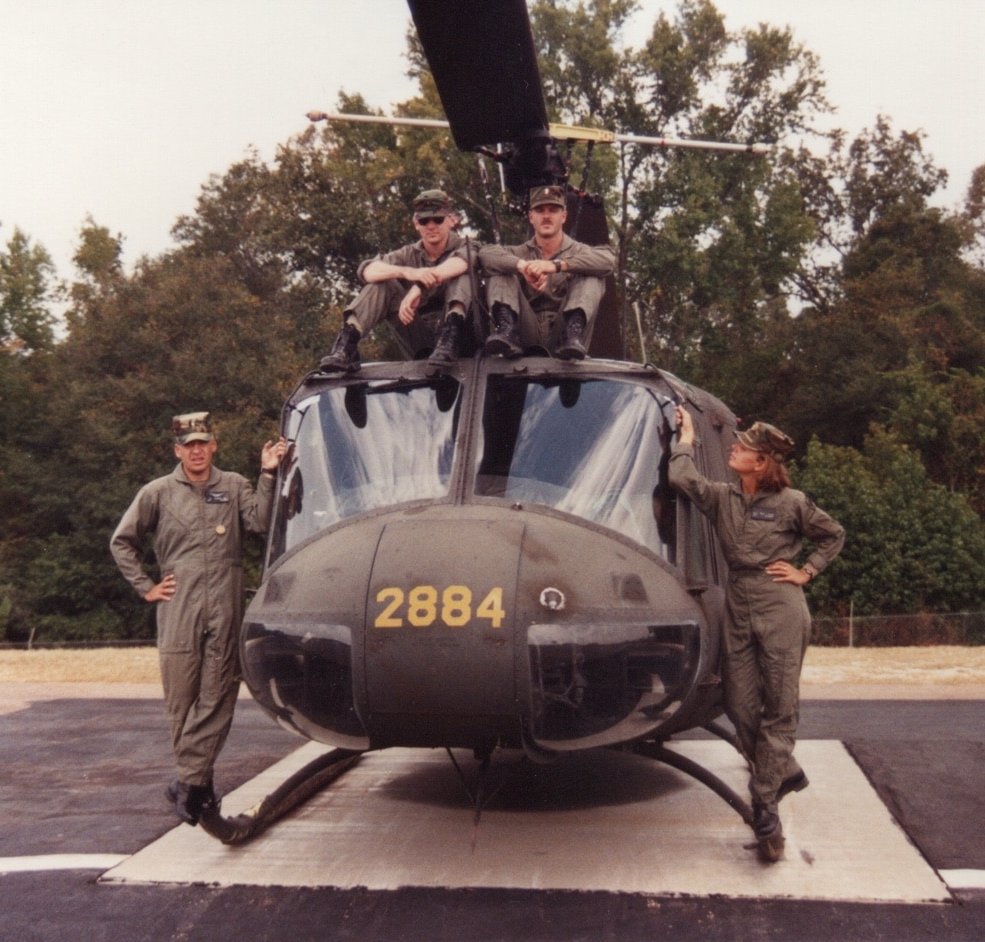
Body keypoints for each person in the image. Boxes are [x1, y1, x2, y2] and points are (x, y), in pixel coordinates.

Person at [669, 409, 845, 862]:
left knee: (780, 705)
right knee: (739, 702)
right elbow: (682, 478)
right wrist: (685, 436)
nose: (734, 448)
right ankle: (779, 775)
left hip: (780, 603)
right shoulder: (723, 498)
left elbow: (833, 535)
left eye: (743, 448)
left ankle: (765, 803)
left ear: (763, 461)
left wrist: (806, 571)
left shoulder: (792, 503)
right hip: (739, 602)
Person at [110, 412, 287, 826]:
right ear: (177, 450)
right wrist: (146, 587)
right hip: (179, 605)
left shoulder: (234, 485)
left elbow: (260, 521)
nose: (196, 451)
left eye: (202, 443)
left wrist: (267, 473)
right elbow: (122, 541)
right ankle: (198, 787)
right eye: (188, 445)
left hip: (225, 602)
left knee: (219, 694)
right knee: (182, 701)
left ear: (213, 446)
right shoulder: (157, 493)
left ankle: (188, 785)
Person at [320, 188, 475, 372]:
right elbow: (368, 271)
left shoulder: (466, 245)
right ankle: (346, 345)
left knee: (462, 273)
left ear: (451, 220)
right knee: (383, 282)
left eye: (438, 219)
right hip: (422, 342)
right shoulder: (408, 254)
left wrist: (418, 287)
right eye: (424, 220)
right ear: (416, 223)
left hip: (463, 339)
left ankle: (450, 337)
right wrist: (409, 273)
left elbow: (461, 262)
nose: (431, 226)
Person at [478, 185, 617, 360]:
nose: (546, 216)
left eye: (553, 210)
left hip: (563, 337)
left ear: (563, 216)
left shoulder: (579, 250)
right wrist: (522, 266)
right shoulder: (519, 252)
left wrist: (557, 265)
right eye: (540, 210)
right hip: (525, 336)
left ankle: (574, 333)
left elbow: (608, 260)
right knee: (500, 267)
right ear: (531, 217)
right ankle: (506, 330)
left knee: (592, 272)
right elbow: (485, 254)